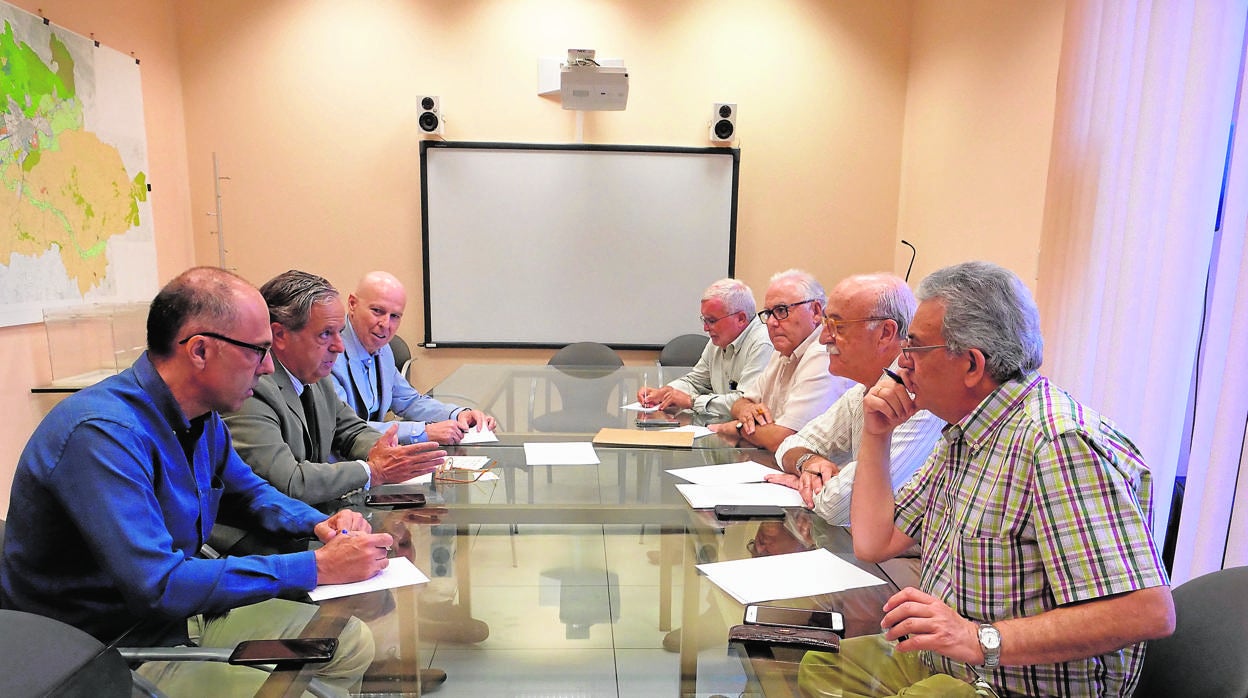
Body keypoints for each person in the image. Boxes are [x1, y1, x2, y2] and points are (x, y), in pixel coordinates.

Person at [0, 267, 387, 696]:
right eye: (257, 351)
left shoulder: (200, 418)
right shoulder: (101, 435)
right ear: (200, 350)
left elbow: (252, 492)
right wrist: (314, 567)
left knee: (349, 642)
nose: (266, 368)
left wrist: (319, 525)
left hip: (179, 622)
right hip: (107, 656)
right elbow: (161, 586)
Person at [801, 261, 1174, 697]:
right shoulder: (964, 432)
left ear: (972, 364)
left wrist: (979, 638)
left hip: (1011, 683)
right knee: (822, 664)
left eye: (915, 350)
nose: (902, 366)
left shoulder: (1056, 443)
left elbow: (1146, 612)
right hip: (950, 663)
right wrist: (876, 433)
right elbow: (873, 541)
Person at [224, 270, 445, 511]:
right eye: (325, 334)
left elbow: (351, 429)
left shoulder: (315, 374)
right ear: (280, 335)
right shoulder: (251, 388)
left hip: (311, 515)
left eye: (339, 333)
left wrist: (382, 451)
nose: (339, 347)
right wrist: (373, 470)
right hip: (263, 535)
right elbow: (288, 483)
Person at [763, 273, 943, 526]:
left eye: (837, 326)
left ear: (885, 332)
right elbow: (789, 444)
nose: (824, 337)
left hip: (904, 561)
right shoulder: (862, 392)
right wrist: (808, 462)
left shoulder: (916, 399)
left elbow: (841, 508)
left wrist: (802, 484)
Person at [332, 271, 495, 445]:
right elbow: (346, 429)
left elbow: (409, 402)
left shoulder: (383, 349)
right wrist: (423, 432)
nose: (386, 324)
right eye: (377, 311)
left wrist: (458, 414)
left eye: (395, 316)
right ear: (352, 304)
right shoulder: (329, 353)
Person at [713, 269, 852, 450]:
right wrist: (746, 411)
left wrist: (738, 428)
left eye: (781, 310)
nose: (771, 322)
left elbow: (784, 439)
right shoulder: (783, 351)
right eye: (769, 313)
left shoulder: (823, 354)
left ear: (816, 311)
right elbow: (742, 402)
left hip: (819, 472)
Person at [636, 277, 772, 424]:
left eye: (712, 321)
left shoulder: (763, 343)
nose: (705, 328)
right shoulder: (718, 340)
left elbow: (745, 403)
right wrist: (666, 392)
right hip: (722, 427)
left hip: (752, 436)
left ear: (740, 318)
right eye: (704, 320)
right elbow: (695, 382)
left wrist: (692, 401)